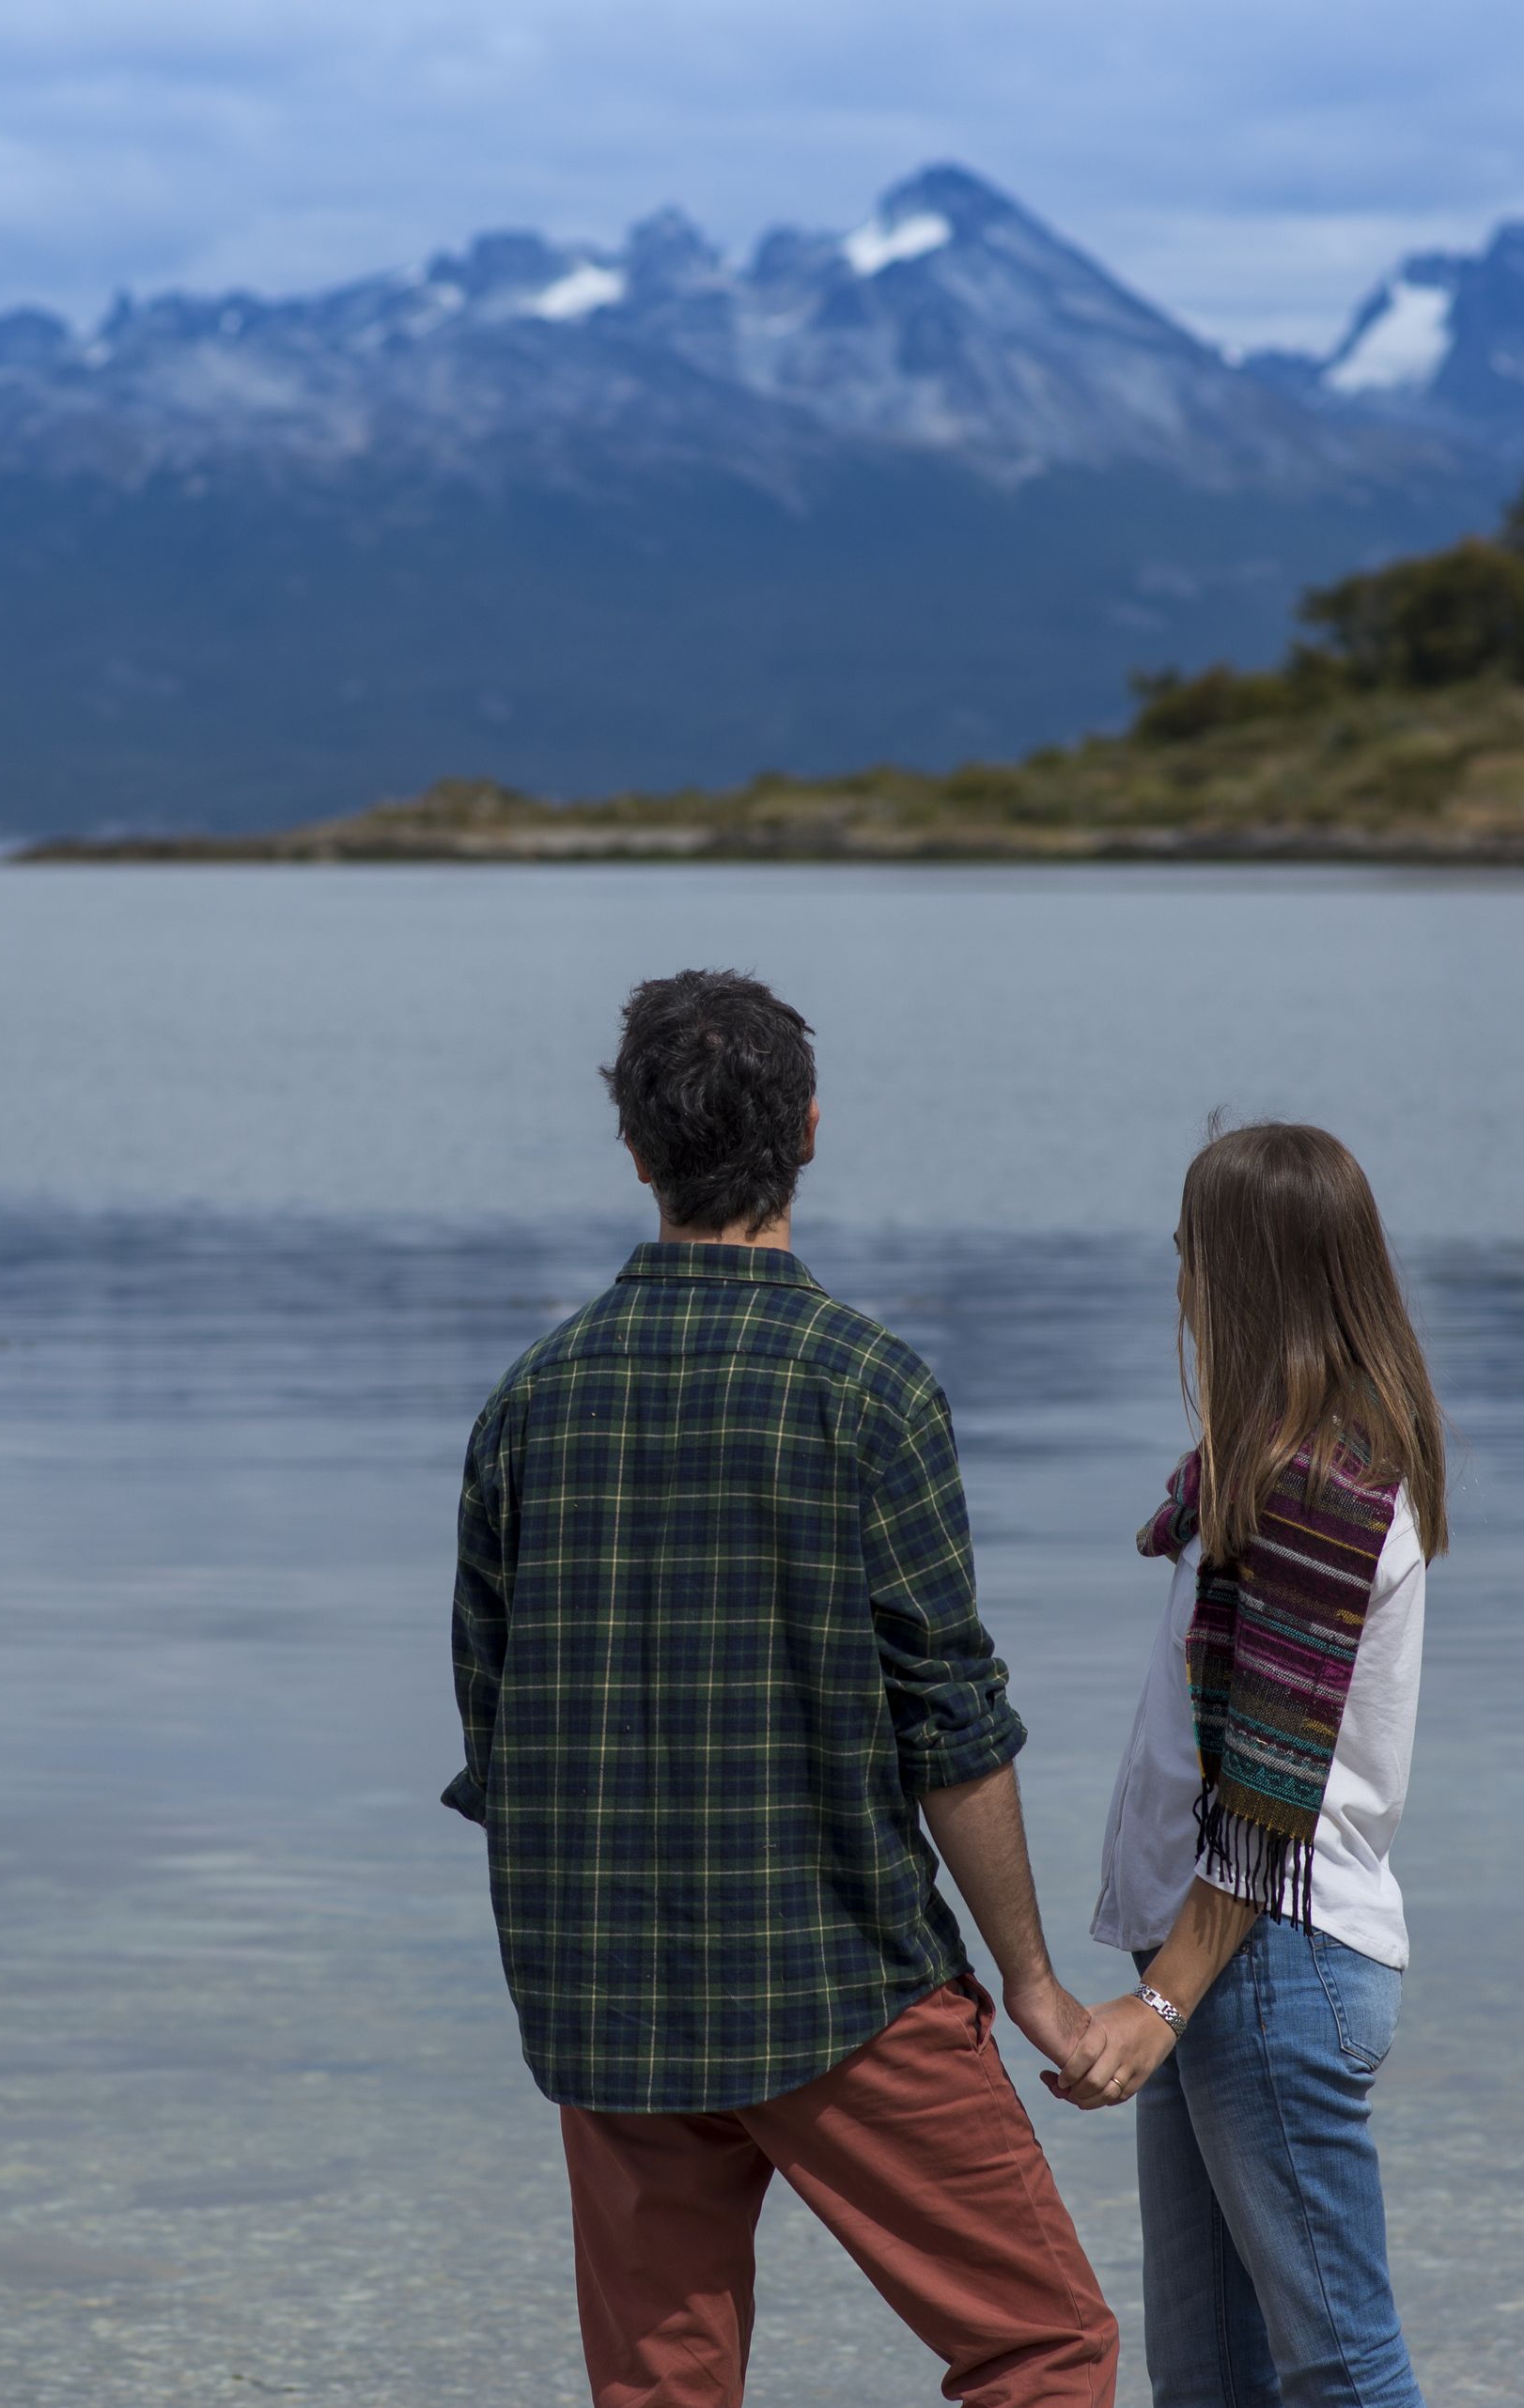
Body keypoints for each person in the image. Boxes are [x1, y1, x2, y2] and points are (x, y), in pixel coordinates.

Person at [443, 969, 1121, 2408]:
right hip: (840, 1983)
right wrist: (1033, 1984)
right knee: (1044, 2349)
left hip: (607, 1997)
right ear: (809, 1131)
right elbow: (950, 1720)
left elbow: (496, 1739)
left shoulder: (529, 1403)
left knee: (663, 2394)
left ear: (636, 1150)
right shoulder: (869, 1389)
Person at [1065, 1122, 1448, 2408]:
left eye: (1192, 1252)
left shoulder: (1321, 1489)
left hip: (1268, 1960)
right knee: (1213, 2377)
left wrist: (1162, 2004)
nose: (1180, 1280)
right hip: (1229, 1960)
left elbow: (1268, 1787)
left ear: (1245, 1274)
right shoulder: (1263, 1471)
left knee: (1341, 2366)